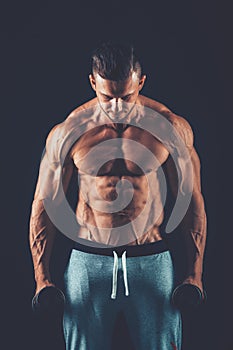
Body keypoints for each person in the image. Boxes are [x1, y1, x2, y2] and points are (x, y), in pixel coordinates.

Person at [29, 41, 207, 350]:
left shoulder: (170, 127)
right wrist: (41, 278)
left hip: (151, 261)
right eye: (107, 96)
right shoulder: (70, 131)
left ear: (141, 82)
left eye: (126, 96)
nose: (116, 106)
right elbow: (45, 204)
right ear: (92, 82)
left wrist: (195, 273)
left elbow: (191, 200)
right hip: (88, 263)